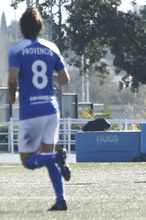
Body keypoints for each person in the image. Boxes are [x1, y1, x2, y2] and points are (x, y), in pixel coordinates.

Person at [8, 7, 71, 210]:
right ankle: (60, 200)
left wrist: (12, 95)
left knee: (28, 161)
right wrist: (46, 79)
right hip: (51, 109)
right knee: (46, 155)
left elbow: (11, 78)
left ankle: (57, 157)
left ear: (22, 28)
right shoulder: (51, 47)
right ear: (40, 27)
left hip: (31, 111)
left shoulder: (17, 50)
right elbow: (64, 79)